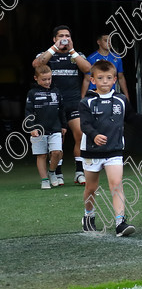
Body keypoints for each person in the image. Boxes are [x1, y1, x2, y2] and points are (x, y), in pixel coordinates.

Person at [80, 60, 142, 235]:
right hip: (91, 152)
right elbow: (85, 125)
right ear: (93, 80)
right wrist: (95, 135)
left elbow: (132, 118)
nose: (105, 81)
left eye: (109, 77)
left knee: (116, 184)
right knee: (91, 187)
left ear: (114, 80)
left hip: (114, 150)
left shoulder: (121, 99)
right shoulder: (86, 102)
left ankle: (120, 222)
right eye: (101, 77)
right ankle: (88, 215)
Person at [32, 26, 92, 186]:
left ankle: (80, 172)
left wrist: (72, 50)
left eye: (67, 36)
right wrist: (54, 48)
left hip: (73, 102)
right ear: (54, 38)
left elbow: (88, 69)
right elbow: (37, 64)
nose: (64, 38)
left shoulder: (77, 55)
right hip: (53, 105)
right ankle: (57, 173)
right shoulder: (47, 54)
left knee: (80, 134)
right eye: (61, 36)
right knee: (58, 141)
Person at [26, 65, 67, 189]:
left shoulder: (56, 91)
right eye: (44, 79)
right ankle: (44, 179)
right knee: (41, 155)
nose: (47, 82)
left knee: (57, 152)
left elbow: (62, 110)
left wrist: (64, 125)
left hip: (55, 128)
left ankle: (52, 172)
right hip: (38, 130)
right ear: (36, 78)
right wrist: (31, 128)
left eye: (49, 79)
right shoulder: (32, 93)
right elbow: (28, 112)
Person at [82, 33, 130, 98]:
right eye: (106, 40)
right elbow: (87, 79)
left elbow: (121, 78)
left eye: (110, 41)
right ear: (98, 42)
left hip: (110, 94)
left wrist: (126, 96)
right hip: (95, 94)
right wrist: (83, 98)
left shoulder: (117, 57)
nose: (109, 43)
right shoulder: (91, 58)